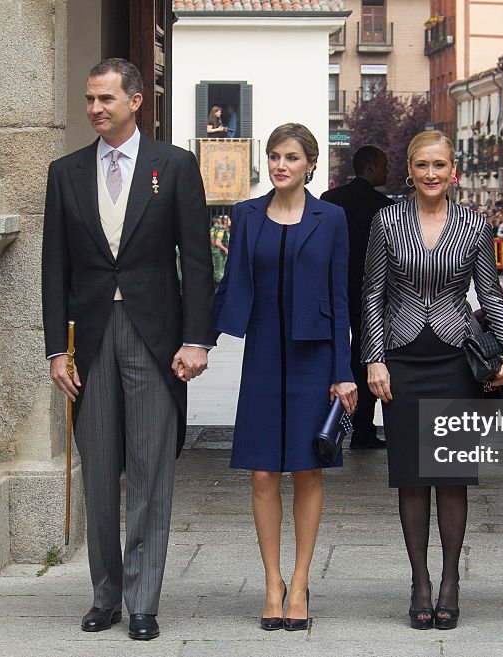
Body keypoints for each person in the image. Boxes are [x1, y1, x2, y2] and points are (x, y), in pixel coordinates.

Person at [41, 58, 214, 641]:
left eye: (105, 99)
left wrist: (197, 339)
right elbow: (53, 269)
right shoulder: (64, 173)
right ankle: (105, 594)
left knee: (149, 469)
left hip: (155, 336)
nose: (94, 109)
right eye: (89, 99)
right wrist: (54, 351)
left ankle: (144, 599)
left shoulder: (176, 166)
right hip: (89, 338)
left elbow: (197, 259)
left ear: (135, 101)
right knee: (97, 468)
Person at [362, 130, 503, 631]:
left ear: (454, 170)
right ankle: (420, 581)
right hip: (403, 356)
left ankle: (450, 580)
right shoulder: (386, 219)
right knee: (411, 477)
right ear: (408, 170)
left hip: (455, 358)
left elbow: (489, 294)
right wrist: (374, 359)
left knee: (452, 478)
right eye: (421, 165)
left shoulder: (474, 223)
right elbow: (371, 294)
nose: (431, 174)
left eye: (440, 166)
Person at [214, 123, 357, 631]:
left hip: (314, 357)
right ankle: (271, 582)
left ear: (310, 165)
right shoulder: (247, 214)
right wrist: (197, 339)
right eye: (274, 156)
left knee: (308, 470)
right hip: (263, 356)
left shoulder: (332, 217)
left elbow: (341, 298)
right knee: (261, 473)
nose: (280, 165)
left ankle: (299, 583)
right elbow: (229, 284)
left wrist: (344, 372)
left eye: (291, 157)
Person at [320, 144, 394, 449]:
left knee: (332, 355)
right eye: (385, 165)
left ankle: (328, 424)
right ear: (372, 168)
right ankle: (363, 428)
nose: (388, 171)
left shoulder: (330, 200)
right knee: (367, 356)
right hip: (370, 292)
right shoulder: (385, 207)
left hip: (334, 287)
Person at [210, 214, 230, 287]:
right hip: (220, 253)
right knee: (220, 270)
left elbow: (212, 241)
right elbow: (217, 242)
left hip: (215, 251)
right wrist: (225, 249)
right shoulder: (221, 230)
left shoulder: (213, 229)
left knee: (216, 269)